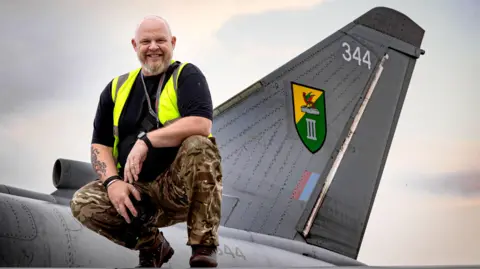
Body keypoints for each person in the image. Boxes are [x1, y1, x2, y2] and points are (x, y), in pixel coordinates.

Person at [70, 15, 223, 268]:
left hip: (176, 188)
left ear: (172, 42)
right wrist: (111, 183)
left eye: (160, 40)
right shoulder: (116, 89)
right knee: (82, 203)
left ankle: (203, 245)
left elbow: (201, 123)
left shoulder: (186, 75)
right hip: (136, 192)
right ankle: (152, 245)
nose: (153, 47)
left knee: (199, 145)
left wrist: (147, 141)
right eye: (146, 41)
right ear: (135, 45)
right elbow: (100, 145)